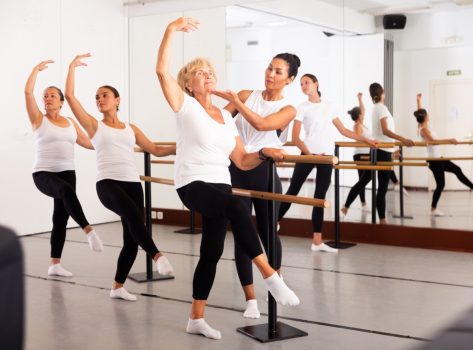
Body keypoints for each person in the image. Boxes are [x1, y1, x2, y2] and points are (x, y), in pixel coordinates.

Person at [156, 17, 300, 340]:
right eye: (199, 74)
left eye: (210, 73)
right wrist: (170, 31)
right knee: (237, 206)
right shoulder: (186, 106)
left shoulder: (225, 117)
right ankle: (271, 278)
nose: (207, 76)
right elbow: (161, 72)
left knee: (211, 251)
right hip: (192, 184)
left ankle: (196, 317)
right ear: (189, 85)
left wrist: (264, 153)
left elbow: (242, 159)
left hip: (219, 184)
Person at [65, 53, 175, 301]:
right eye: (96, 97)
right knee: (135, 217)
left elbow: (155, 150)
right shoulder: (95, 125)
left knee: (131, 240)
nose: (99, 99)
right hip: (108, 183)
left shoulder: (131, 128)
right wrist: (71, 68)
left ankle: (117, 287)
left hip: (133, 184)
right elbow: (70, 97)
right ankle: (158, 256)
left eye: (104, 95)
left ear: (117, 100)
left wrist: (182, 146)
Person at [212, 52, 299, 319]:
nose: (270, 74)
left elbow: (261, 124)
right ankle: (250, 299)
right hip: (237, 168)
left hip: (264, 171)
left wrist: (238, 101)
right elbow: (219, 121)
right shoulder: (248, 94)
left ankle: (276, 283)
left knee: (268, 232)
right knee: (242, 235)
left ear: (290, 79)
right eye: (269, 68)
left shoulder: (288, 109)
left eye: (278, 72)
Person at [277, 74, 378, 251]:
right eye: (301, 84)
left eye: (306, 82)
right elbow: (295, 137)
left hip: (326, 156)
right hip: (308, 154)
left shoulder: (329, 106)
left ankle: (317, 241)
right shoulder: (301, 107)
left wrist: (366, 140)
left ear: (316, 83)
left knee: (319, 197)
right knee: (293, 190)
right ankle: (274, 222)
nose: (304, 86)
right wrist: (310, 154)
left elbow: (344, 130)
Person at [25, 60, 104, 278]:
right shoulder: (38, 119)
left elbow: (88, 143)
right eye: (45, 95)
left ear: (61, 101)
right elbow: (28, 93)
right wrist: (35, 70)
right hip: (43, 173)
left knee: (60, 217)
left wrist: (114, 144)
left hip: (68, 171)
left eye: (52, 95)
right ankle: (89, 230)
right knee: (66, 192)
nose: (47, 98)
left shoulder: (70, 121)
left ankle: (55, 264)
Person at [341, 83, 415, 224]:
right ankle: (382, 220)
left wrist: (393, 149)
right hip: (381, 150)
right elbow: (385, 131)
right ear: (382, 94)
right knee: (381, 187)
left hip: (382, 149)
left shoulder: (376, 108)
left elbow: (382, 134)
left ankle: (346, 207)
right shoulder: (380, 108)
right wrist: (403, 140)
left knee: (366, 180)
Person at [415, 93, 473, 216]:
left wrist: (418, 100)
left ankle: (472, 187)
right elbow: (432, 142)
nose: (428, 115)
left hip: (439, 159)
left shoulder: (423, 125)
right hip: (434, 161)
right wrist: (450, 140)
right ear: (425, 117)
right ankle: (433, 209)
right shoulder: (423, 129)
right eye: (427, 114)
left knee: (457, 170)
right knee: (441, 185)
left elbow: (420, 113)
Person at [348, 92, 370, 209]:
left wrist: (360, 99)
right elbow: (358, 139)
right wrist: (370, 141)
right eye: (362, 114)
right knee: (363, 180)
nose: (364, 114)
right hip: (360, 155)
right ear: (359, 115)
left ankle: (363, 203)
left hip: (365, 154)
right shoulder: (357, 126)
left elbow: (363, 109)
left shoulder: (362, 124)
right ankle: (363, 203)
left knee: (363, 179)